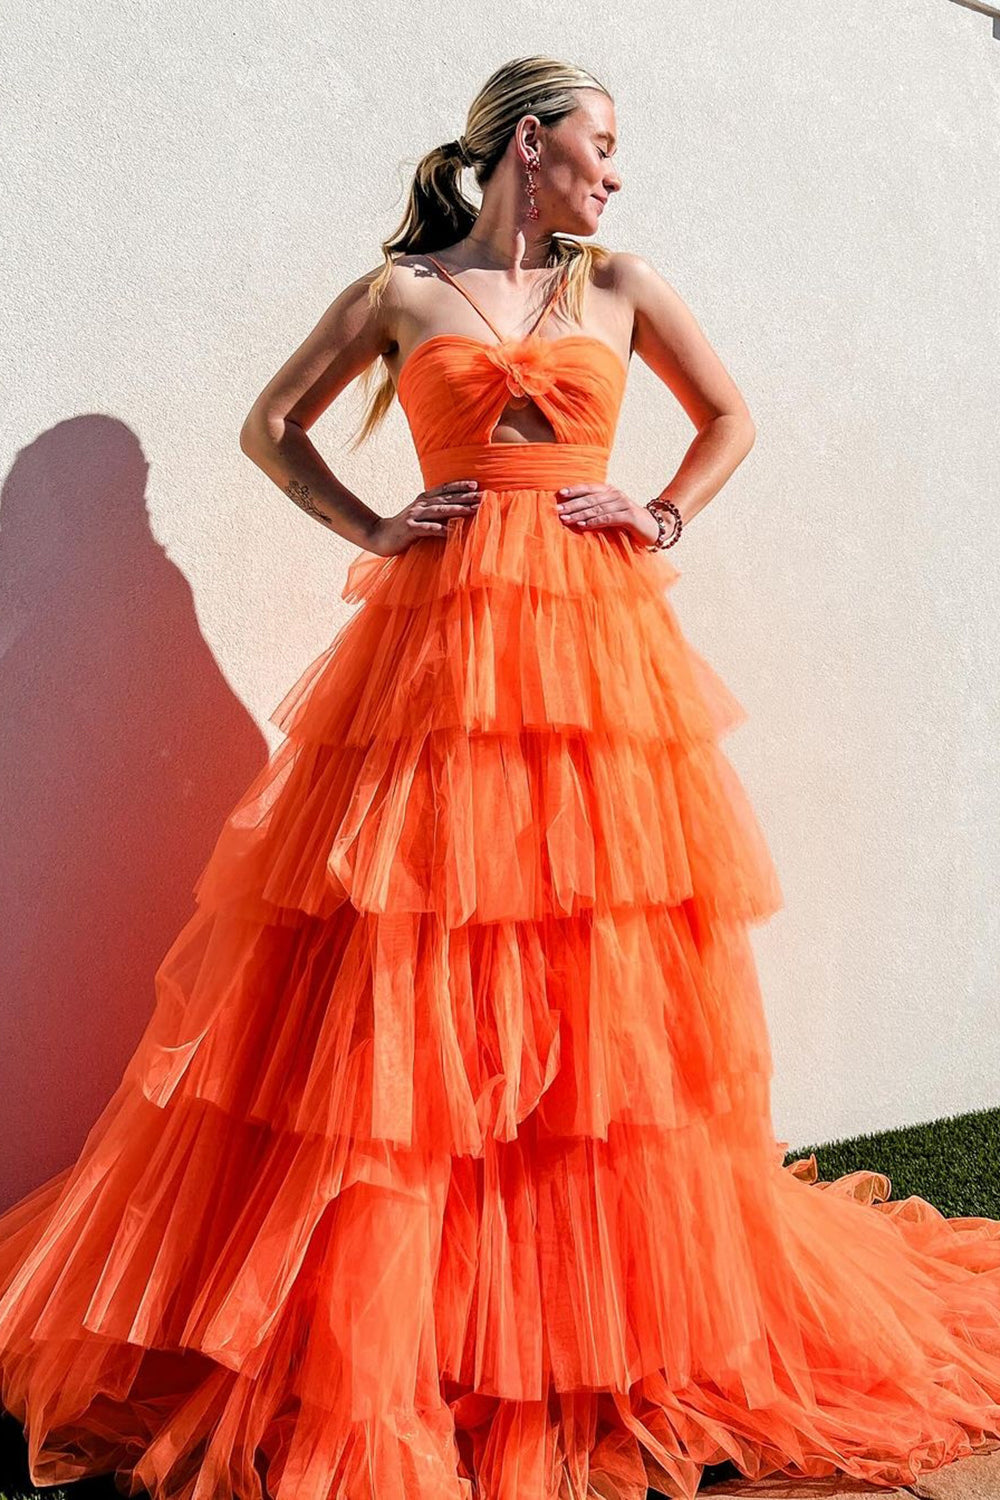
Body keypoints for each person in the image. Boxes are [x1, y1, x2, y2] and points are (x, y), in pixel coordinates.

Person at [2, 51, 1000, 1500]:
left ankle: (600, 1323)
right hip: (435, 654)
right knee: (414, 976)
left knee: (589, 971)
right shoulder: (396, 298)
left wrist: (657, 510)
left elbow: (732, 419)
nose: (615, 169)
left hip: (594, 649)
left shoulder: (621, 283)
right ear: (528, 146)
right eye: (600, 144)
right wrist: (375, 521)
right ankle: (414, 1332)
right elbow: (268, 428)